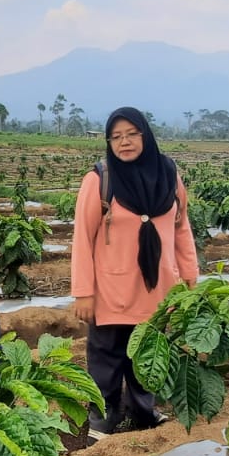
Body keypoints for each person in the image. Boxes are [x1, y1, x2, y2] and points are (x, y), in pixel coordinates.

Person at [71, 107, 198, 435]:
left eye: (131, 134)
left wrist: (189, 276)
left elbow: (181, 228)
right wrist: (84, 292)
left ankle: (144, 412)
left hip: (157, 289)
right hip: (111, 291)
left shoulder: (169, 174)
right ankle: (102, 420)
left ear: (145, 135)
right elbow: (83, 240)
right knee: (106, 361)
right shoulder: (100, 180)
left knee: (147, 356)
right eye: (116, 137)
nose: (123, 142)